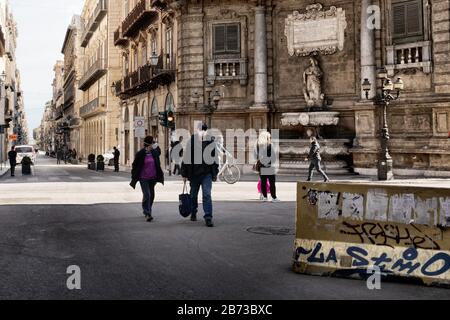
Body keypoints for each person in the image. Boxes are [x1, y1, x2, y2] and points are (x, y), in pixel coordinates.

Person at [181, 123, 219, 228]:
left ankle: (208, 217)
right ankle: (193, 211)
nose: (202, 132)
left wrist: (215, 173)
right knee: (193, 195)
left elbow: (215, 158)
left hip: (206, 174)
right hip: (194, 174)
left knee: (206, 195)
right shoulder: (191, 142)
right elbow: (186, 158)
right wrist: (184, 173)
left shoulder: (210, 142)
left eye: (204, 130)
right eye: (200, 130)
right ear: (197, 131)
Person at [130, 136, 164, 222]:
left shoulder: (154, 153)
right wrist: (134, 175)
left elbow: (159, 152)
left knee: (151, 195)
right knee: (147, 194)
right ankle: (147, 212)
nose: (153, 144)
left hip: (153, 177)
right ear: (149, 144)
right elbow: (134, 165)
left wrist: (156, 145)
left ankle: (148, 208)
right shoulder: (140, 153)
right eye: (152, 142)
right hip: (143, 178)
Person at [254, 131, 280, 203]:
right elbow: (274, 158)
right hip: (268, 166)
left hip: (261, 166)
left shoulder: (258, 145)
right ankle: (273, 197)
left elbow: (256, 156)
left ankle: (265, 197)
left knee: (263, 182)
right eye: (269, 137)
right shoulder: (270, 145)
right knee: (272, 182)